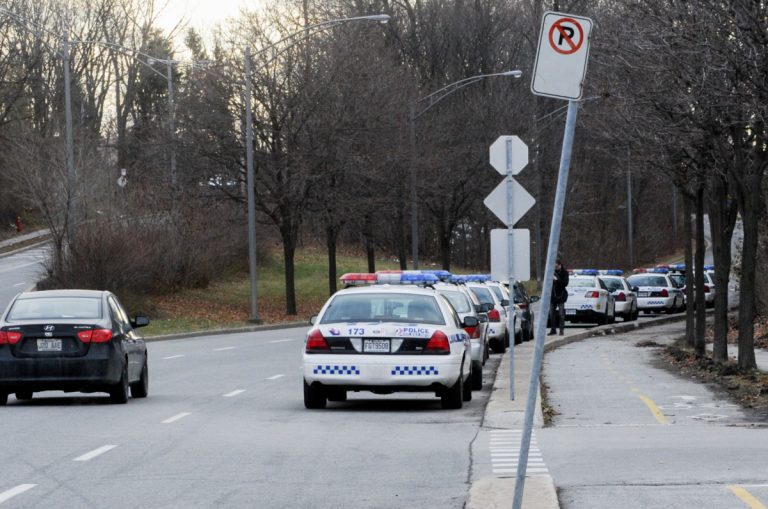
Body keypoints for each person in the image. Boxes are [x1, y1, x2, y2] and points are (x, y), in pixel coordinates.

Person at [549, 259, 569, 336]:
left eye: (557, 266)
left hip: (561, 295)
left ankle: (561, 330)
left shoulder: (564, 273)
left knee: (561, 314)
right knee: (551, 313)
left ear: (560, 265)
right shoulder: (551, 272)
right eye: (555, 267)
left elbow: (565, 283)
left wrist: (557, 280)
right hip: (553, 295)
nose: (556, 268)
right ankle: (553, 329)